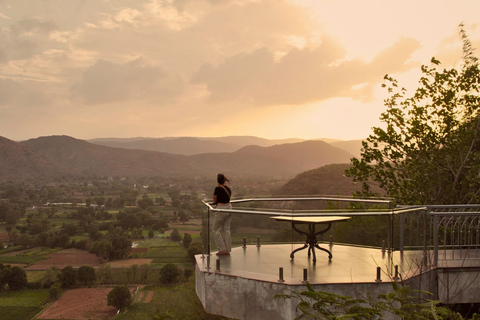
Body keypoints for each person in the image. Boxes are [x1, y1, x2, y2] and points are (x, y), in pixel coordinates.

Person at [212, 173, 232, 256]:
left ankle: (222, 249)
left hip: (221, 209)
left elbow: (214, 200)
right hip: (230, 208)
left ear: (217, 181)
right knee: (226, 229)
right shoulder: (228, 189)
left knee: (215, 230)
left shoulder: (218, 189)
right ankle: (227, 249)